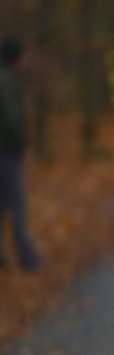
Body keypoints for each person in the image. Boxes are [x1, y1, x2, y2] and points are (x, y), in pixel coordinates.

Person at [0, 35, 41, 271]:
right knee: (17, 203)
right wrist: (22, 145)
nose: (26, 61)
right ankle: (27, 257)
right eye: (23, 56)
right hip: (7, 151)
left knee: (3, 202)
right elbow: (12, 119)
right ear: (16, 58)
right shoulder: (6, 82)